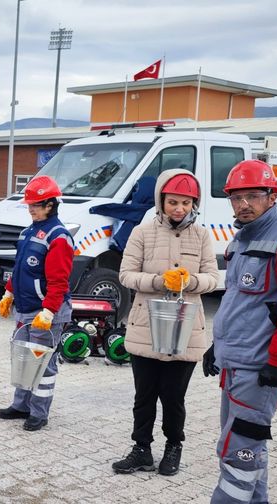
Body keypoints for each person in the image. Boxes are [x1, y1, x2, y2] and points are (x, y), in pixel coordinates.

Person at [111, 170, 220, 476]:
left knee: (173, 397)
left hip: (186, 328)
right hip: (146, 325)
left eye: (186, 202)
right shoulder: (142, 233)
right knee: (144, 396)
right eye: (173, 202)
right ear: (161, 201)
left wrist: (191, 281)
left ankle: (174, 446)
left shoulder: (202, 235)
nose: (179, 209)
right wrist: (159, 281)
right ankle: (141, 449)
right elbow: (126, 274)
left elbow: (213, 278)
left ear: (194, 203)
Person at [208, 160, 277, 503]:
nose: (243, 204)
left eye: (252, 196)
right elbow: (238, 300)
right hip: (235, 365)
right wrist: (216, 346)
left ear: (271, 196)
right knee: (249, 450)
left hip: (259, 370)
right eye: (236, 198)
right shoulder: (242, 237)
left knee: (237, 452)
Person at [0, 176, 73, 431]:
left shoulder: (58, 237)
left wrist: (49, 311)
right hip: (26, 308)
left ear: (50, 204)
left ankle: (39, 412)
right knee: (24, 360)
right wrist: (9, 293)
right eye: (29, 205)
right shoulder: (28, 232)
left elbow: (59, 281)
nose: (30, 209)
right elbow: (20, 269)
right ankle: (21, 405)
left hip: (45, 311)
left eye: (35, 205)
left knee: (42, 364)